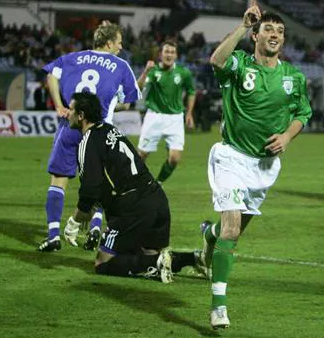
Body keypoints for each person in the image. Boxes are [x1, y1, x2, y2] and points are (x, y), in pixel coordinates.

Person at [199, 0, 312, 329]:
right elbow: (217, 61)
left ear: (283, 39)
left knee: (231, 233)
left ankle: (210, 235)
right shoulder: (241, 65)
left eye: (279, 30)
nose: (274, 33)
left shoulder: (294, 77)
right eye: (268, 29)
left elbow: (304, 113)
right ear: (257, 36)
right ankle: (219, 304)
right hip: (232, 156)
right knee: (232, 228)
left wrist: (289, 136)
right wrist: (242, 24)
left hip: (264, 168)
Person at [63, 92, 202, 282]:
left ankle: (158, 262)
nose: (66, 113)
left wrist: (74, 221)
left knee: (103, 264)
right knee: (148, 253)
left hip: (134, 206)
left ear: (80, 115)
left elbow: (90, 188)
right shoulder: (111, 130)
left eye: (70, 109)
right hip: (156, 198)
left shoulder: (88, 141)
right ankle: (194, 258)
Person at [38, 21, 140, 252]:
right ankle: (95, 227)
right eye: (119, 42)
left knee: (58, 180)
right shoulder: (121, 66)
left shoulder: (73, 57)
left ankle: (53, 235)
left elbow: (51, 75)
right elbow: (127, 102)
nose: (121, 47)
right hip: (98, 131)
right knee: (102, 182)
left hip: (70, 124)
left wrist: (58, 105)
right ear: (108, 42)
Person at [136, 40, 196, 184]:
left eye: (172, 52)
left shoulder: (183, 72)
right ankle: (132, 184)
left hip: (175, 118)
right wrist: (145, 72)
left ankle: (158, 184)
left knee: (175, 158)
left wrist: (189, 114)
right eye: (166, 52)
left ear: (176, 55)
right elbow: (138, 88)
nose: (169, 55)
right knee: (141, 156)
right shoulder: (154, 71)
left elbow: (191, 92)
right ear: (160, 55)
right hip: (154, 117)